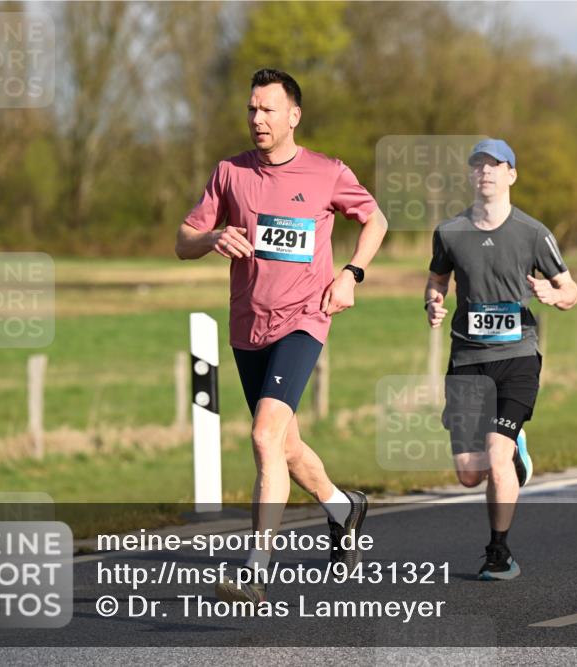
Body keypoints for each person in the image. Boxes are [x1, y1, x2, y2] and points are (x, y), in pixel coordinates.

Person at [176, 69, 388, 603]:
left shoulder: (327, 172)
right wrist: (212, 237)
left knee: (264, 436)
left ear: (293, 115)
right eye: (251, 109)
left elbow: (375, 221)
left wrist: (351, 274)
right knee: (286, 448)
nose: (257, 118)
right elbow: (183, 240)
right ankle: (343, 508)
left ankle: (255, 570)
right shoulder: (230, 172)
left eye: (267, 109)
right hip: (248, 326)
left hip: (304, 319)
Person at [425, 138, 577, 580]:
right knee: (469, 475)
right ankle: (514, 450)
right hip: (467, 360)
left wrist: (553, 294)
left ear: (512, 174)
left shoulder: (533, 232)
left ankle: (499, 552)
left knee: (495, 455)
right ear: (471, 175)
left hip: (517, 356)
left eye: (495, 165)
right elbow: (437, 280)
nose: (486, 171)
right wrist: (433, 302)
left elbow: (571, 290)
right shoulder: (450, 231)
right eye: (478, 165)